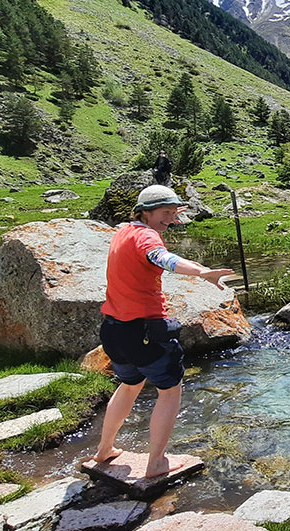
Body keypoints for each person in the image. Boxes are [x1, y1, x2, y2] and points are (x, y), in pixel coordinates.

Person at [91, 185, 233, 477]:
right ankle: (156, 462)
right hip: (145, 331)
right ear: (145, 212)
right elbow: (162, 258)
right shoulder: (146, 236)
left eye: (174, 212)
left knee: (130, 385)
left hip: (114, 330)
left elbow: (154, 246)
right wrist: (202, 273)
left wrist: (168, 216)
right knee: (170, 392)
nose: (170, 218)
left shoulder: (124, 232)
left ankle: (104, 450)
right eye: (165, 212)